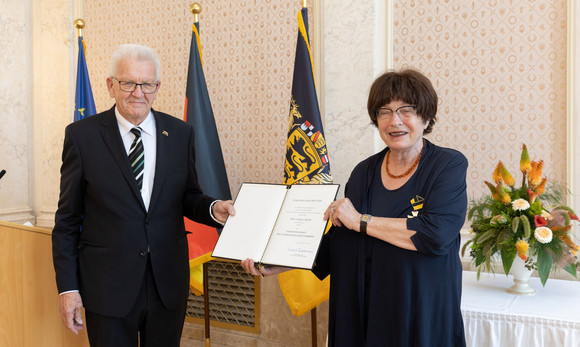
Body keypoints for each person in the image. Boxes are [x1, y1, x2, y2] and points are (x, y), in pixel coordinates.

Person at [242, 68, 468, 346]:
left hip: (418, 312)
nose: (394, 121)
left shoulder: (448, 165)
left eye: (406, 110)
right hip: (359, 310)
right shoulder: (364, 172)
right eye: (384, 112)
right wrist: (275, 262)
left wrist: (360, 220)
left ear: (427, 116)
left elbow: (435, 234)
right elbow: (339, 240)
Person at [52, 43, 235, 346]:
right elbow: (67, 221)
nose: (138, 93)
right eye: (128, 83)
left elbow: (188, 195)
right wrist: (68, 288)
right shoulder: (82, 137)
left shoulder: (179, 134)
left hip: (166, 284)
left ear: (158, 87)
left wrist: (214, 208)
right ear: (111, 86)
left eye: (147, 84)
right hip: (107, 287)